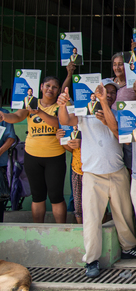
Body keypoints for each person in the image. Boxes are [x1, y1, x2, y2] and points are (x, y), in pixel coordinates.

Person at [58, 79, 136, 278]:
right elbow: (65, 120)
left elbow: (116, 131)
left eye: (113, 92)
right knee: (92, 219)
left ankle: (128, 247)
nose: (110, 94)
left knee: (123, 214)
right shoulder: (83, 113)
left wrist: (104, 103)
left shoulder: (118, 114)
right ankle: (91, 259)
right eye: (105, 91)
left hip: (117, 172)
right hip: (92, 174)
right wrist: (62, 105)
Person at [1, 76, 70, 224]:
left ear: (58, 90)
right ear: (41, 87)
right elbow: (17, 116)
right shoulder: (31, 103)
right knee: (37, 196)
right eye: (47, 86)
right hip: (32, 156)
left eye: (54, 87)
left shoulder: (61, 105)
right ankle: (38, 229)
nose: (50, 89)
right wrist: (4, 116)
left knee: (56, 196)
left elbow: (60, 123)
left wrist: (38, 112)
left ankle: (62, 231)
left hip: (55, 156)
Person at [0, 107, 18, 222]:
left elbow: (11, 138)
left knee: (0, 199)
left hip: (0, 164)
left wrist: (0, 151)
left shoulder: (4, 114)